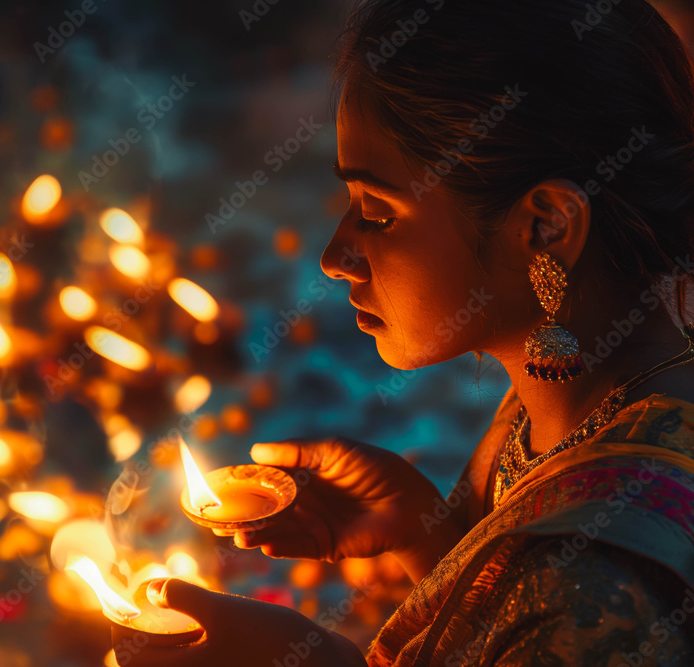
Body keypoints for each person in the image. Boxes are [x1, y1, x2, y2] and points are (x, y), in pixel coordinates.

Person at [115, 0, 694, 664]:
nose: (335, 258)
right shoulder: (579, 402)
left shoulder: (606, 583)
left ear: (546, 225)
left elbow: (558, 602)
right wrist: (433, 539)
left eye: (377, 212)